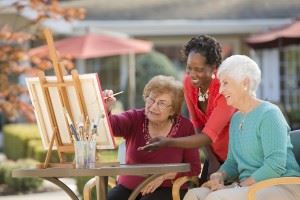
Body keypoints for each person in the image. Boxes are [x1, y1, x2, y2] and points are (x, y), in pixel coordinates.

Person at [183, 55, 300, 200]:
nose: (220, 90)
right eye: (220, 84)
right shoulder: (237, 118)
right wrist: (220, 175)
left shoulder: (269, 114)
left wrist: (237, 187)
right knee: (194, 195)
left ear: (245, 83)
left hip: (282, 186)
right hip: (250, 187)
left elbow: (275, 166)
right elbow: (232, 162)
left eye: (225, 83)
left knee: (216, 198)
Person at [139, 35, 236, 182]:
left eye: (199, 69)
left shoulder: (224, 90)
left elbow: (208, 135)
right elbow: (197, 125)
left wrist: (168, 142)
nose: (192, 75)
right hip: (214, 156)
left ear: (214, 68)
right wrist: (212, 159)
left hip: (236, 159)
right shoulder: (189, 84)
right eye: (189, 68)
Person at [104, 75, 200, 200]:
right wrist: (106, 109)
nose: (153, 107)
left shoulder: (185, 127)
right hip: (128, 188)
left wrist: (163, 176)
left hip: (166, 189)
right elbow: (111, 126)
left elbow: (194, 167)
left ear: (172, 110)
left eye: (161, 103)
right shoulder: (135, 118)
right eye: (151, 100)